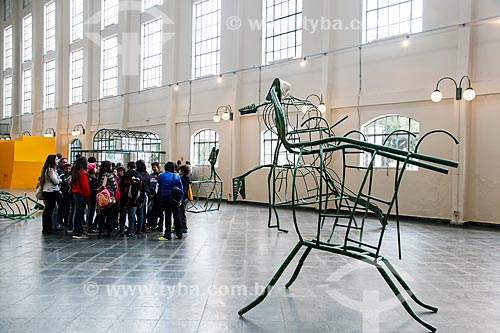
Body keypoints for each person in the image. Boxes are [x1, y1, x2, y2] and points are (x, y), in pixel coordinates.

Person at [157, 161, 183, 241]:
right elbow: (180, 188)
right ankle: (179, 234)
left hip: (165, 197)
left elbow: (160, 186)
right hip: (175, 197)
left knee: (167, 215)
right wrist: (180, 199)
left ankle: (167, 235)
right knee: (177, 215)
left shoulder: (161, 176)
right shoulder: (176, 176)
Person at [94, 161, 117, 238]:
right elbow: (114, 186)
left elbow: (97, 185)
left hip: (101, 198)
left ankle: (101, 232)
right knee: (110, 215)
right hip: (109, 198)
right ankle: (109, 231)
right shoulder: (109, 175)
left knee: (101, 216)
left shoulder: (99, 175)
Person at [39, 154, 61, 234]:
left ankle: (48, 227)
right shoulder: (50, 170)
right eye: (56, 159)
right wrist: (59, 180)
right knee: (49, 211)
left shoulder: (48, 169)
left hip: (49, 191)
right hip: (50, 192)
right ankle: (47, 228)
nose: (57, 161)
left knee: (48, 211)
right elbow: (56, 181)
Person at [119, 161, 143, 237]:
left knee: (123, 214)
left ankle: (122, 229)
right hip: (135, 199)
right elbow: (142, 188)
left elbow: (121, 185)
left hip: (125, 199)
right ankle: (130, 230)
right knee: (132, 215)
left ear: (128, 167)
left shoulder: (126, 175)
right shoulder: (138, 175)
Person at [71, 156, 91, 239]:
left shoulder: (76, 172)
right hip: (81, 194)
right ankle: (79, 232)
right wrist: (88, 197)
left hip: (75, 193)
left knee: (77, 212)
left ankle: (76, 230)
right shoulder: (83, 173)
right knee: (80, 213)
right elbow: (85, 186)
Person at [147, 162, 163, 232]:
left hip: (159, 196)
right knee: (152, 211)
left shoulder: (161, 176)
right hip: (151, 196)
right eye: (152, 167)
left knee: (160, 211)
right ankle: (153, 224)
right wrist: (149, 193)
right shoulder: (150, 176)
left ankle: (160, 226)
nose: (153, 168)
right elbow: (148, 185)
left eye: (155, 167)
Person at [135, 160, 150, 234]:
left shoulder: (136, 174)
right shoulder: (147, 174)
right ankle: (142, 226)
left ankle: (136, 226)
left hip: (137, 193)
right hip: (144, 194)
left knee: (135, 210)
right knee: (142, 211)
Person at [178, 165, 191, 233]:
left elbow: (183, 190)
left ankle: (183, 227)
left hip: (183, 198)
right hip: (185, 198)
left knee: (182, 213)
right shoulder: (187, 179)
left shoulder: (183, 179)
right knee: (182, 212)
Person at [86, 163, 98, 233]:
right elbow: (93, 188)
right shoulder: (92, 177)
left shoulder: (89, 176)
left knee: (91, 211)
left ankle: (89, 225)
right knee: (91, 211)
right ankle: (90, 226)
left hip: (91, 195)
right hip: (92, 196)